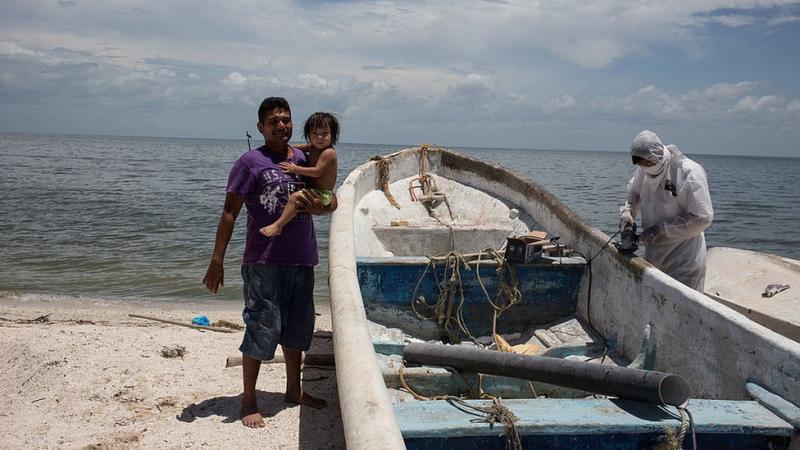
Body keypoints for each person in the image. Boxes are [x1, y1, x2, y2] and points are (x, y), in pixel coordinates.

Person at [202, 97, 335, 428]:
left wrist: (328, 205)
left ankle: (294, 390)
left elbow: (328, 196)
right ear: (261, 127)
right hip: (264, 260)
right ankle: (249, 400)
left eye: (286, 120)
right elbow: (229, 212)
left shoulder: (306, 157)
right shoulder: (250, 162)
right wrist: (217, 259)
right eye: (274, 121)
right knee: (263, 328)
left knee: (297, 330)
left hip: (303, 258)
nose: (281, 125)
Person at [619, 130, 714, 291]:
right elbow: (635, 193)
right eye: (640, 164)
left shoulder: (688, 172)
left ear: (658, 155)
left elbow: (703, 218)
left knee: (682, 307)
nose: (645, 167)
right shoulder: (643, 170)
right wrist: (628, 213)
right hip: (654, 254)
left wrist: (662, 230)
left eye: (648, 163)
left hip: (684, 259)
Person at [259, 112, 339, 237]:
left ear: (333, 135)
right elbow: (296, 147)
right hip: (314, 190)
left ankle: (278, 226)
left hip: (323, 193)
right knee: (297, 203)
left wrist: (294, 169)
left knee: (294, 198)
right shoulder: (312, 147)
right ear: (308, 135)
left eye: (324, 134)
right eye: (314, 134)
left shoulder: (329, 153)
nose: (319, 138)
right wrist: (282, 148)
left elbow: (317, 171)